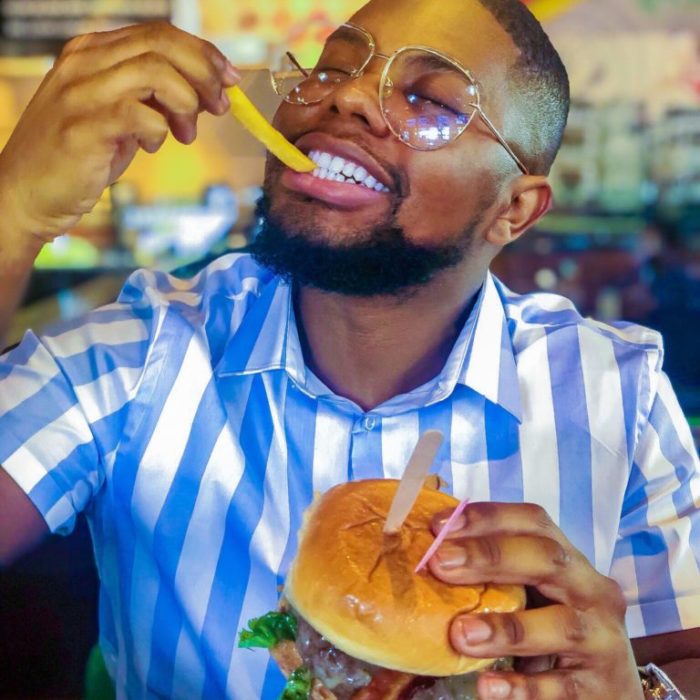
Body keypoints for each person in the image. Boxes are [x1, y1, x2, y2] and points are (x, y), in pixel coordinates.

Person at [0, 0, 698, 698]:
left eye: (427, 97)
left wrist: (633, 691)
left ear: (514, 208)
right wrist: (16, 211)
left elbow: (683, 659)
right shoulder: (137, 356)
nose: (349, 95)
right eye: (333, 68)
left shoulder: (615, 395)